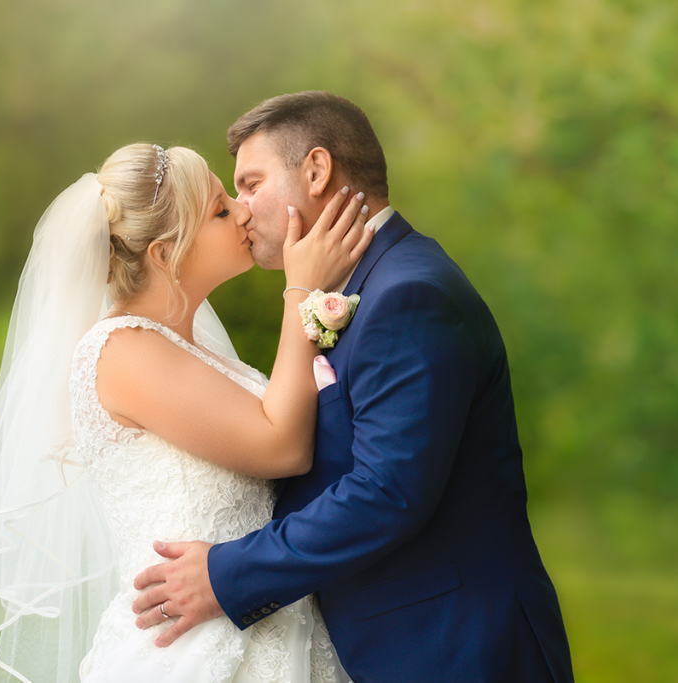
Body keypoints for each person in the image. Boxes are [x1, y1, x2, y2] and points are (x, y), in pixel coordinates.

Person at [131, 92, 576, 681]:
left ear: (316, 171)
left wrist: (227, 574)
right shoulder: (367, 288)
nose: (241, 209)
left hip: (454, 648)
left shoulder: (408, 295)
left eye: (252, 183)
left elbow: (387, 490)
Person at [0, 142, 374, 682]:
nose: (243, 211)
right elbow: (282, 447)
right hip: (193, 649)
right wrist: (301, 290)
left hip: (258, 617)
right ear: (163, 254)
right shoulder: (122, 349)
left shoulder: (188, 350)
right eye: (221, 210)